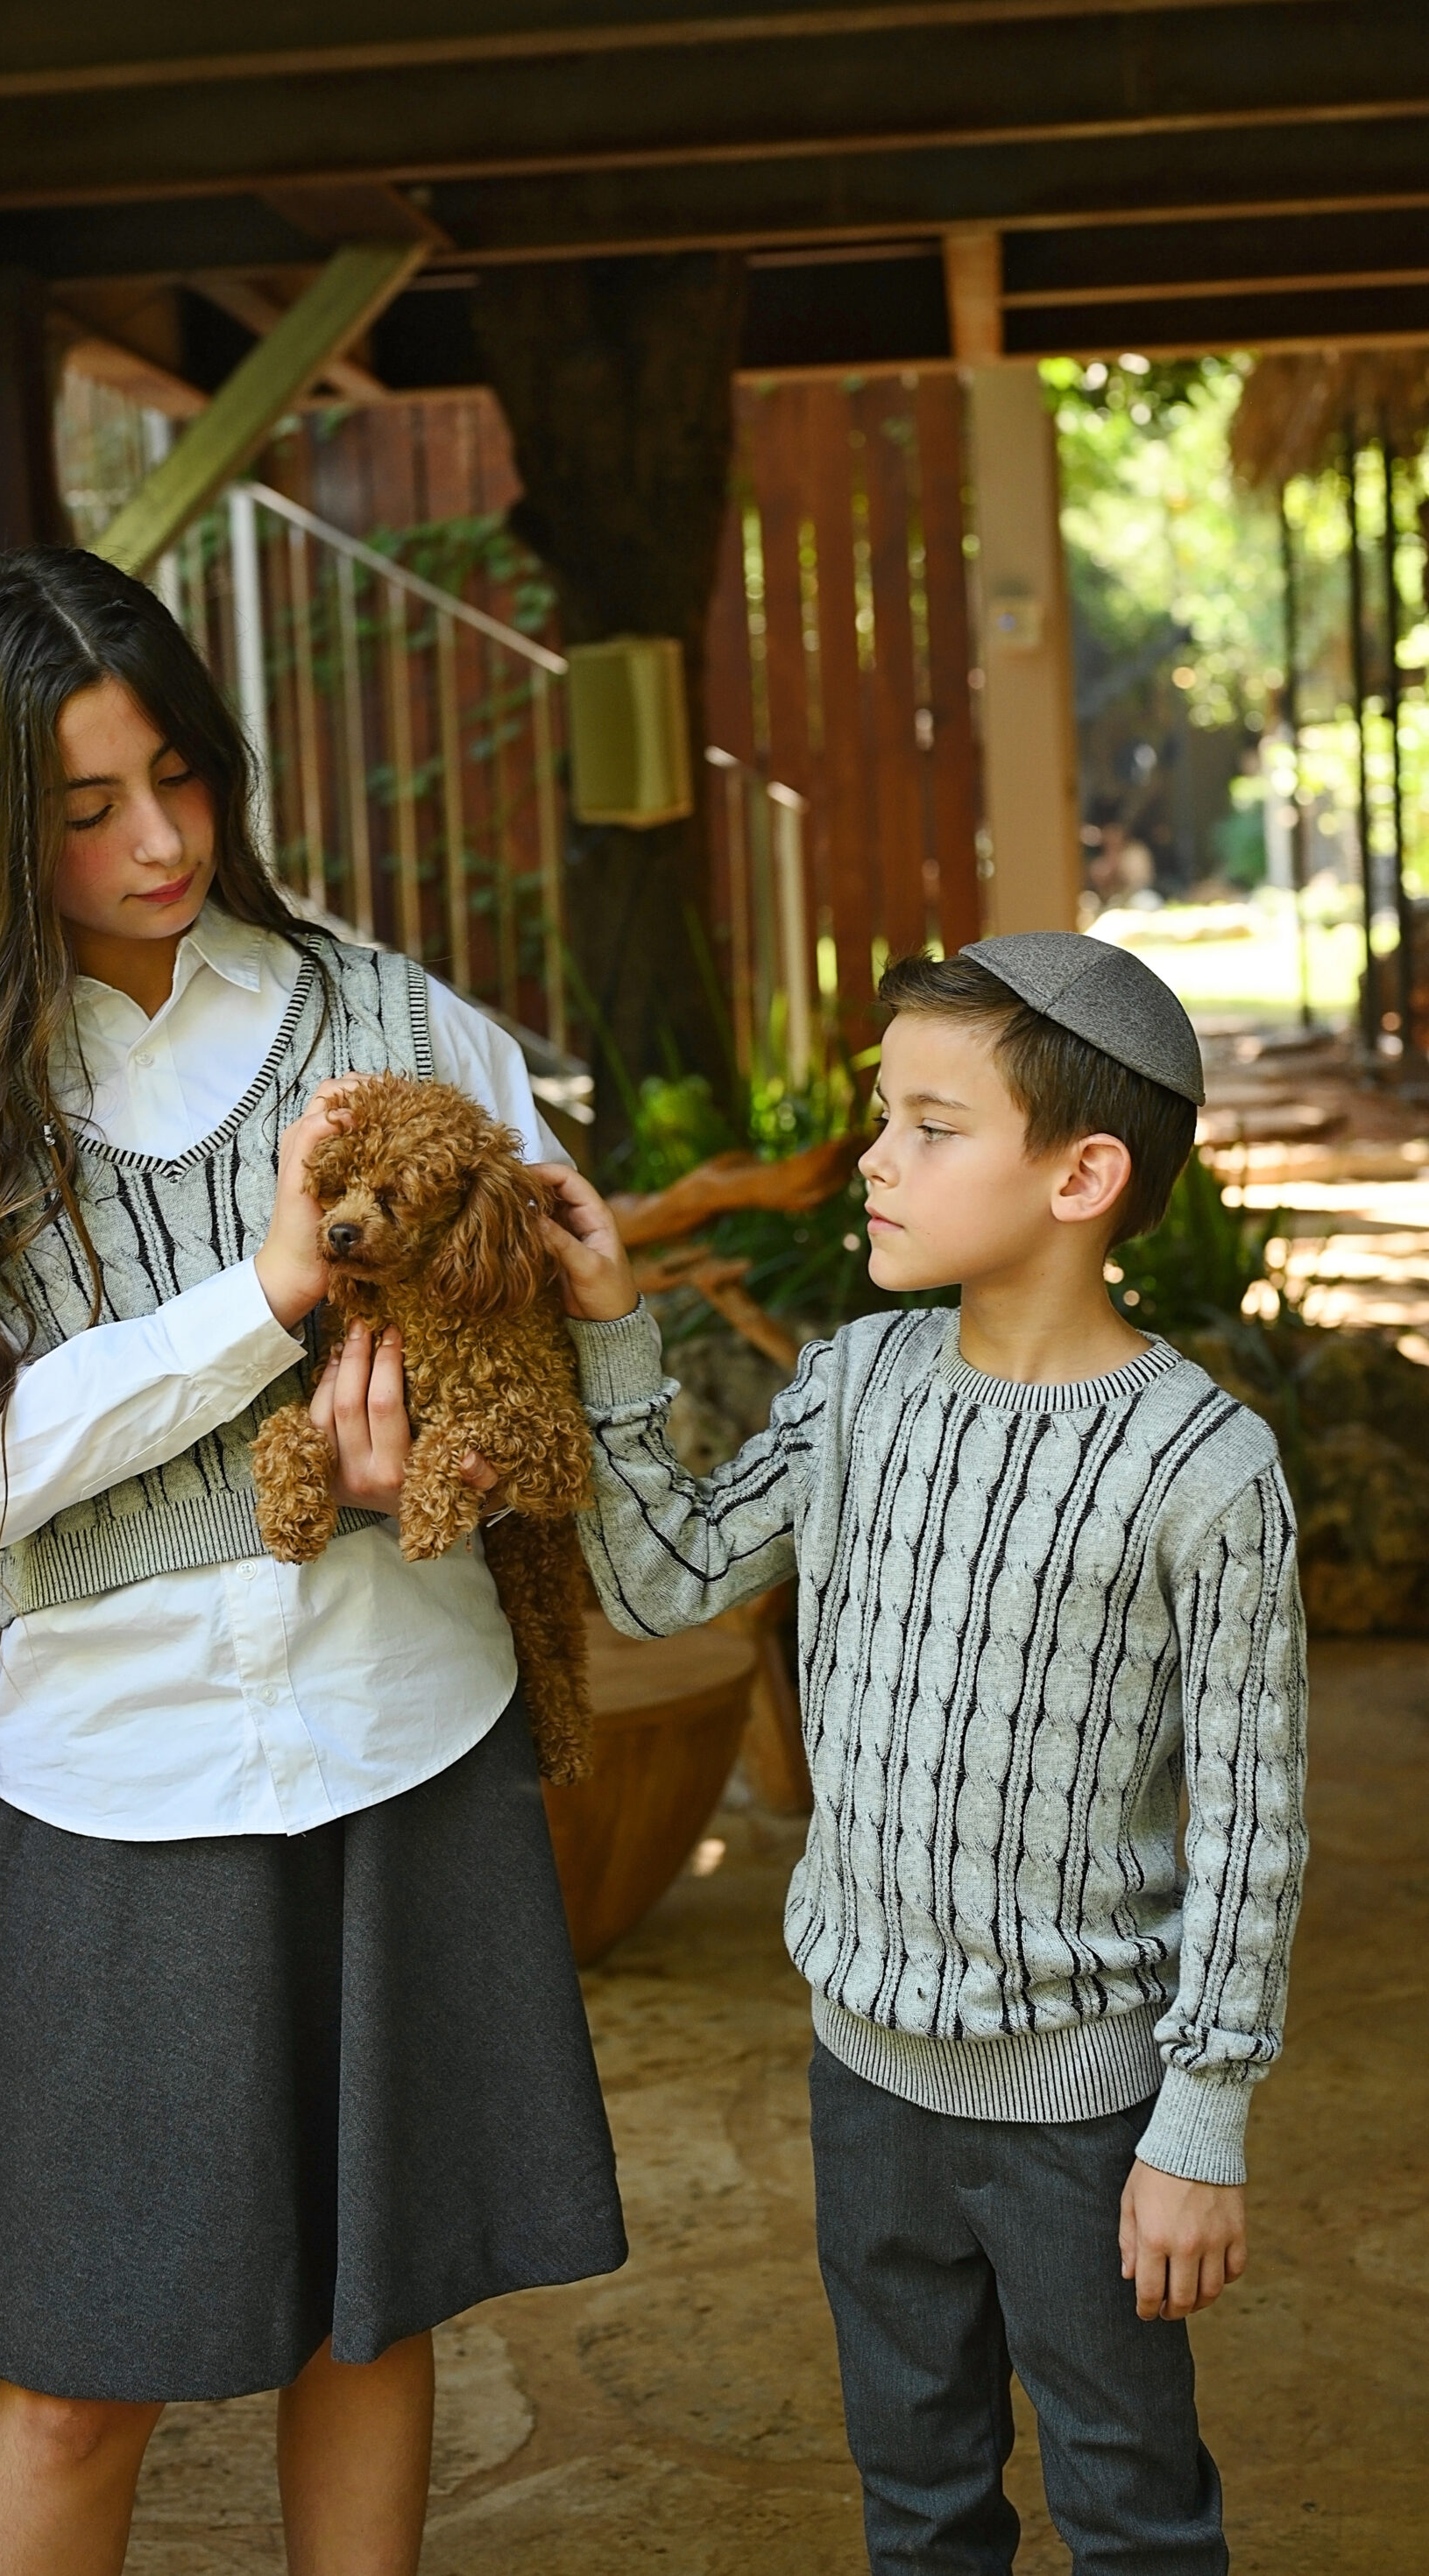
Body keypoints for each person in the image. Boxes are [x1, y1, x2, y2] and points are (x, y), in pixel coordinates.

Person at [0, 547, 625, 2576]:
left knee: (377, 2302)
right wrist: (263, 1302)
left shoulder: (393, 1016)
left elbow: (532, 1354)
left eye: (175, 775)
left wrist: (445, 1433)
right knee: (74, 2376)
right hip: (121, 1790)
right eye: (84, 810)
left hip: (404, 1730)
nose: (158, 841)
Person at [533, 933, 1308, 2575]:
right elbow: (664, 1572)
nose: (874, 1158)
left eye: (930, 1126)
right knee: (919, 2504)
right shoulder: (860, 1387)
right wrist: (614, 1326)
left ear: (1083, 1171)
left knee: (1134, 2510)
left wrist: (1204, 2122)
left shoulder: (1206, 1466)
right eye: (883, 1115)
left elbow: (1255, 1816)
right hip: (865, 2081)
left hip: (1085, 2117)